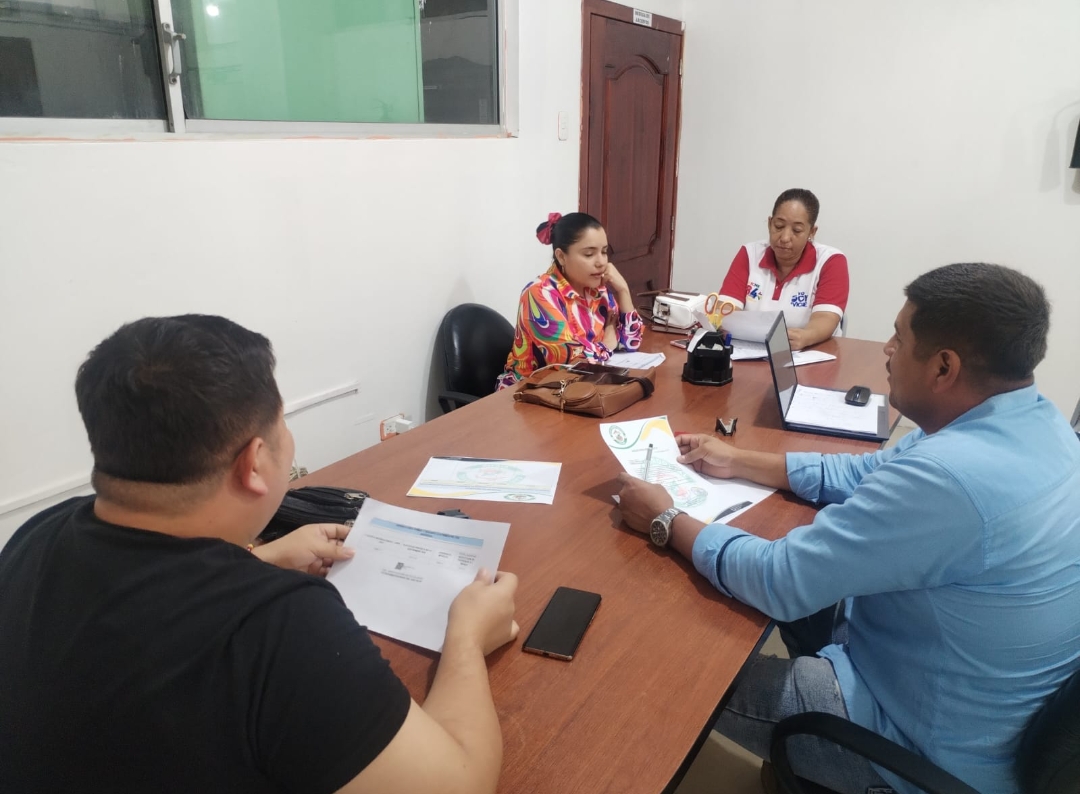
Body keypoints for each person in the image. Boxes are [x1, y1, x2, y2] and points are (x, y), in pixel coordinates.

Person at [0, 315, 520, 794]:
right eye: (281, 424)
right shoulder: (280, 623)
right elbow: (461, 783)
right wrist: (467, 637)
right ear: (254, 462)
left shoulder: (38, 535)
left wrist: (259, 558)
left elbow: (145, 604)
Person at [616, 263, 1080, 794]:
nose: (888, 349)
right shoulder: (1034, 421)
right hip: (969, 696)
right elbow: (867, 472)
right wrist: (738, 460)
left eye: (899, 338)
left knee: (679, 667)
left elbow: (778, 579)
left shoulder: (949, 478)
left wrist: (665, 519)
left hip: (919, 750)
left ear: (943, 367)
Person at [497, 211, 643, 389]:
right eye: (589, 254)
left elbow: (631, 343)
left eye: (604, 252)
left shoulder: (598, 289)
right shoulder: (539, 294)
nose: (601, 262)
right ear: (561, 256)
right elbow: (573, 364)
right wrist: (608, 344)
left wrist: (623, 290)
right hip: (531, 391)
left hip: (582, 388)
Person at [716, 188, 849, 350]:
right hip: (749, 350)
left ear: (812, 232)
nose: (785, 238)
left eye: (796, 230)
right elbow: (726, 309)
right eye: (778, 226)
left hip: (810, 353)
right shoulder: (749, 254)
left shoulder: (831, 261)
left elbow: (826, 317)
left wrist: (805, 337)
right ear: (770, 223)